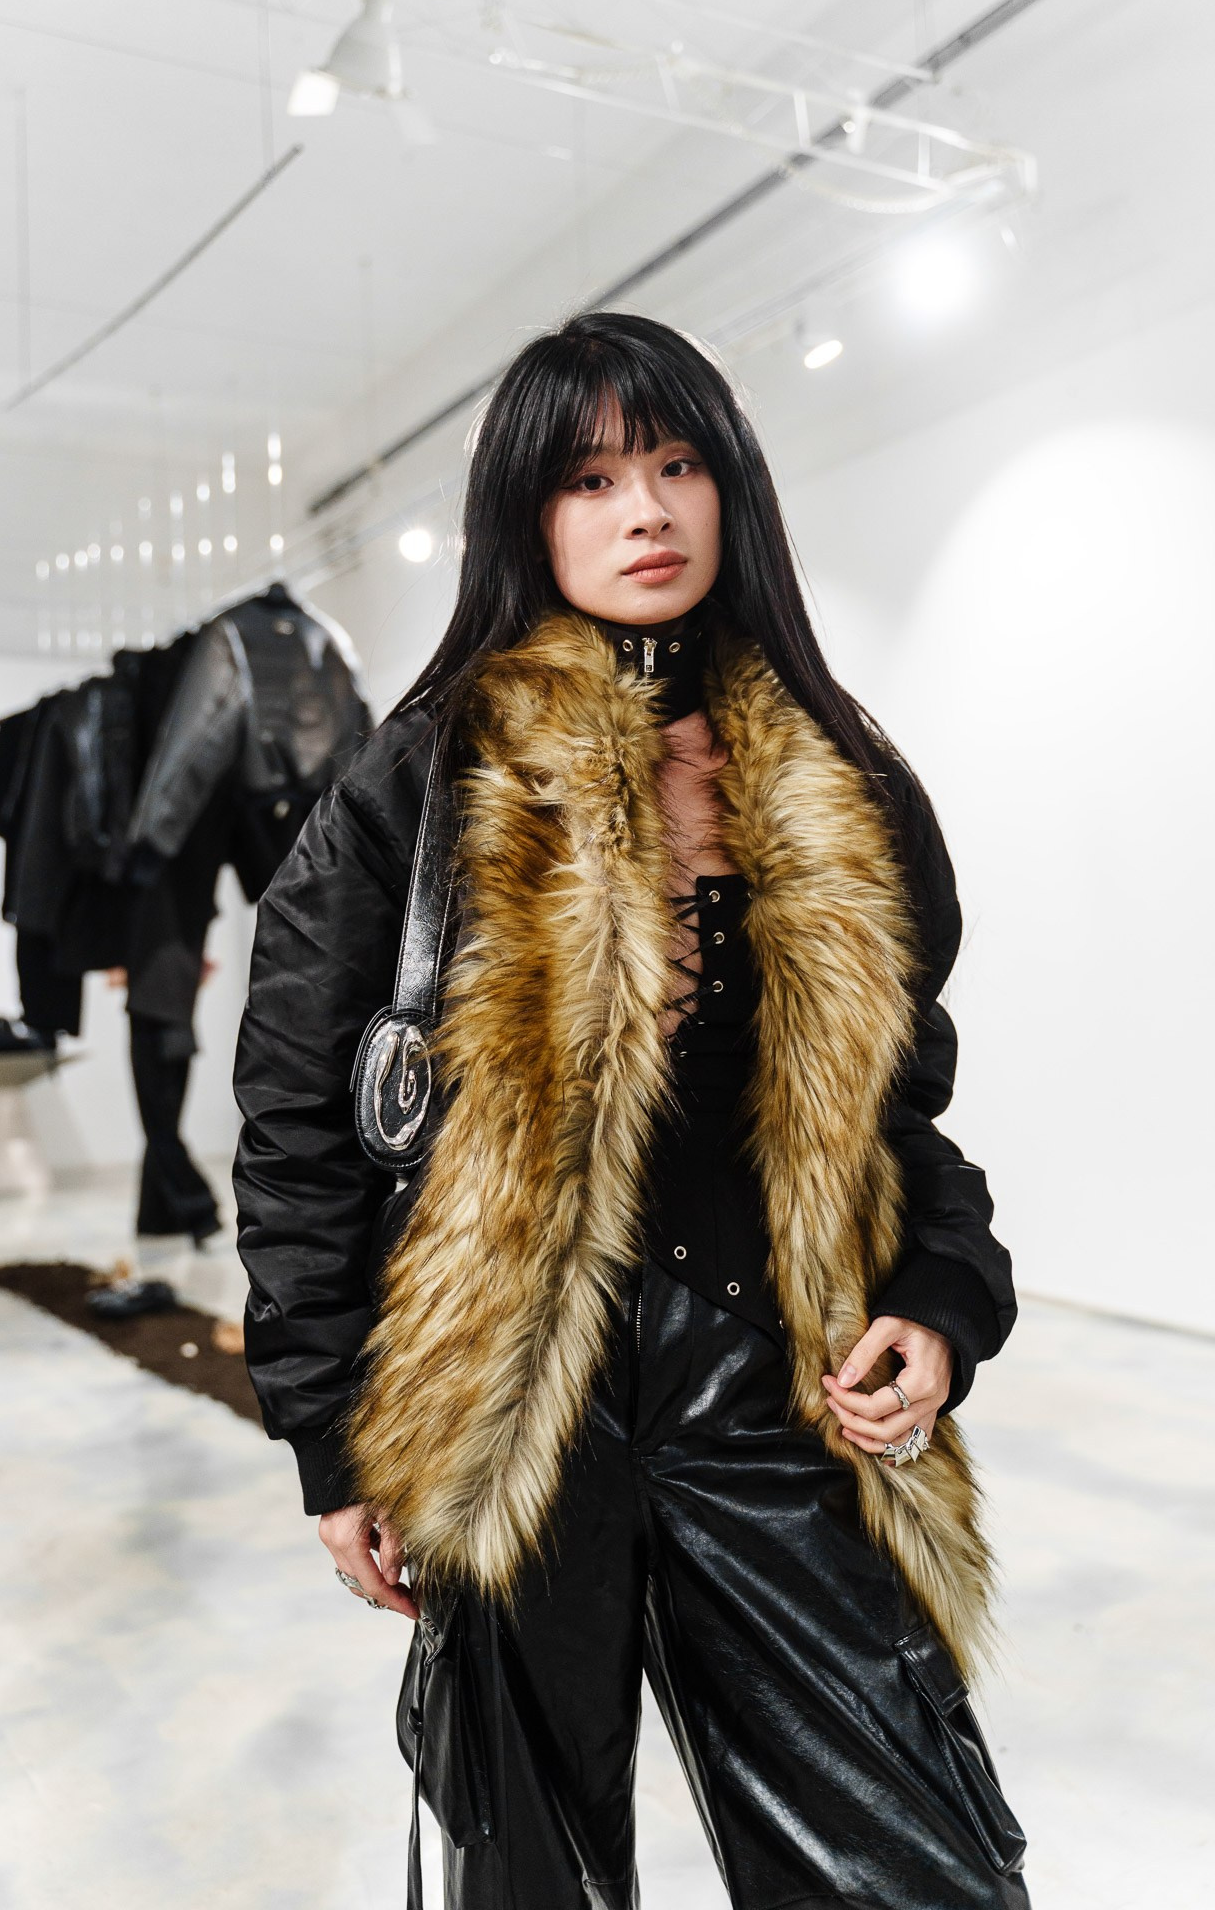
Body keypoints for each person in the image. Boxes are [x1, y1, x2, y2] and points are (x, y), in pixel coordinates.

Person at [233, 312, 1030, 1908]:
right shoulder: (416, 789)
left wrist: (941, 1308)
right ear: (528, 517)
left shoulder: (836, 780)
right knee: (528, 1878)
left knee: (915, 1867)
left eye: (676, 464)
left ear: (732, 486)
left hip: (775, 1400)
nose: (646, 511)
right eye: (592, 478)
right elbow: (297, 1136)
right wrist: (332, 1441)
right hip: (521, 1426)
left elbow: (904, 1127)